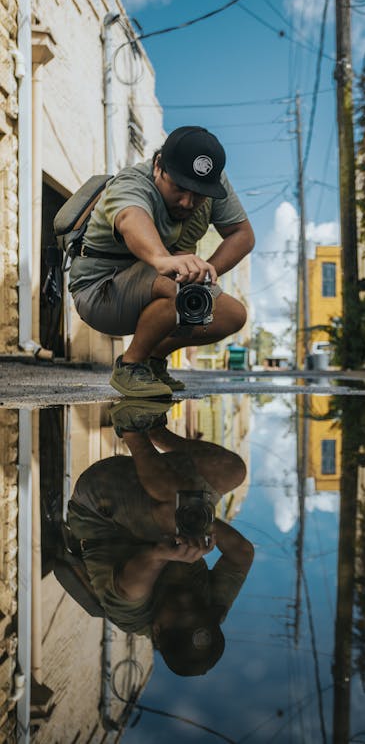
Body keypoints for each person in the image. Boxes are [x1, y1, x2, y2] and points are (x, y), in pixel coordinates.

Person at [66, 399, 254, 676]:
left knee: (177, 512)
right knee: (231, 470)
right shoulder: (213, 607)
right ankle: (156, 431)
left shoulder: (133, 619)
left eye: (181, 611)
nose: (188, 601)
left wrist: (159, 554)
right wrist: (206, 527)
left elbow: (130, 586)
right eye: (197, 609)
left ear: (158, 629)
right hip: (151, 495)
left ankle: (130, 426)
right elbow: (242, 554)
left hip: (99, 505)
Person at [68, 126, 255, 397]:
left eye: (199, 194)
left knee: (231, 315)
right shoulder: (131, 182)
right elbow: (131, 218)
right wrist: (161, 259)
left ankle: (152, 360)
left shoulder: (211, 184)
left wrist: (209, 270)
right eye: (179, 188)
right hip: (100, 293)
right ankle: (130, 366)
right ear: (159, 167)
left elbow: (243, 235)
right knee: (178, 283)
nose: (188, 202)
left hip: (158, 285)